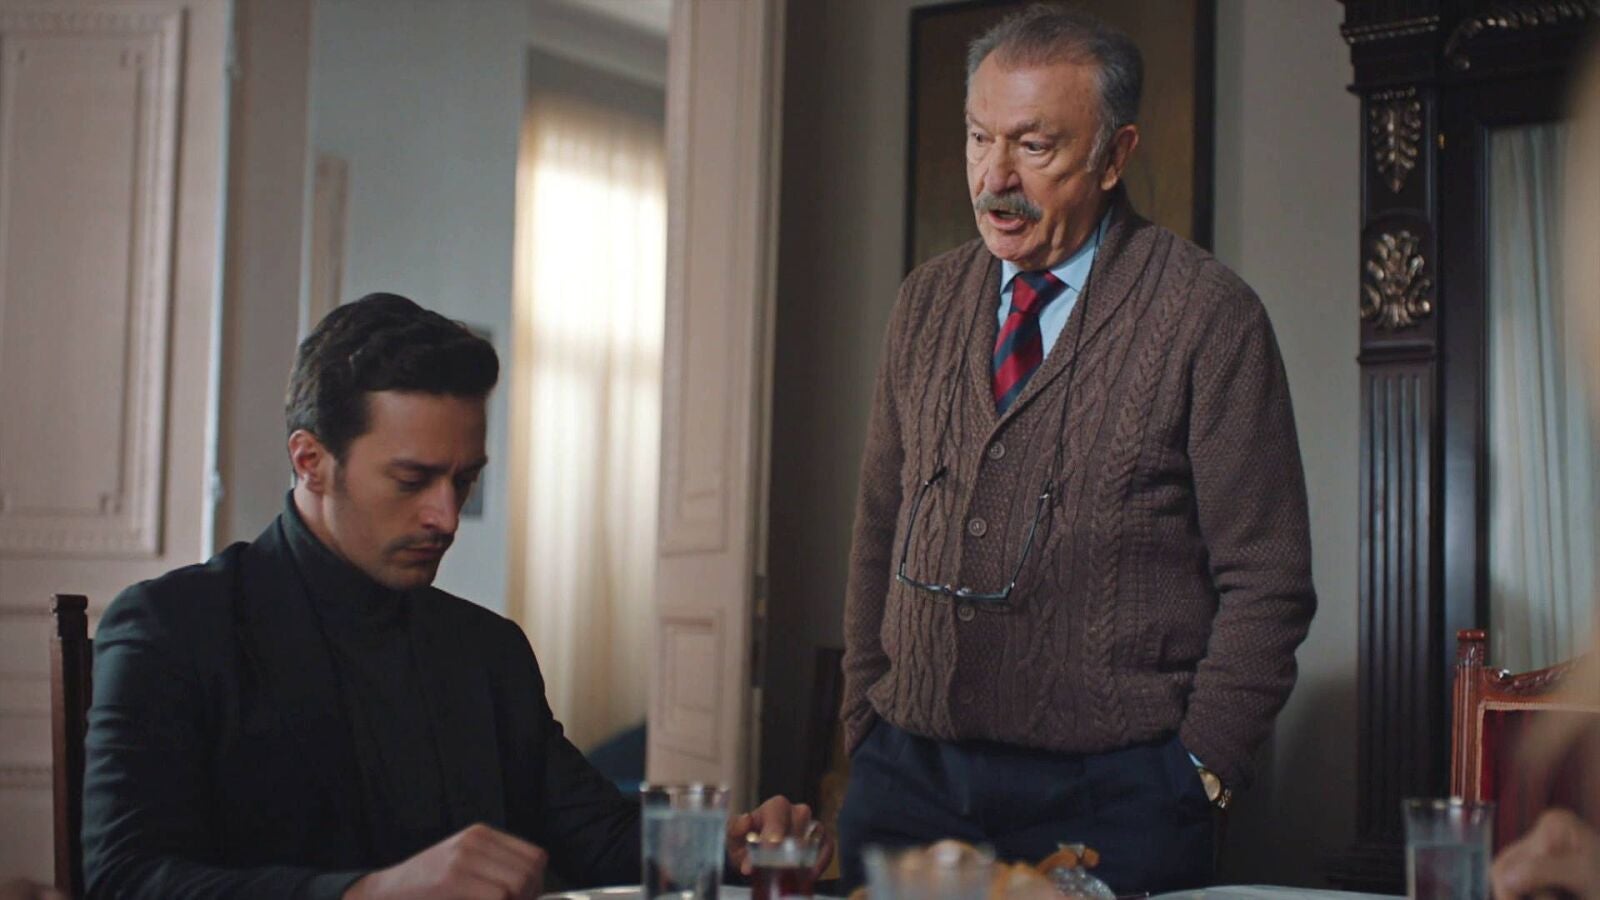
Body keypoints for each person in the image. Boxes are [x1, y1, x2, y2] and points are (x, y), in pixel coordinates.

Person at [82, 293, 827, 899]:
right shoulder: (172, 629)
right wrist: (368, 893)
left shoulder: (488, 650)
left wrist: (721, 849)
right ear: (310, 461)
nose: (446, 517)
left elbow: (595, 834)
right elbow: (125, 879)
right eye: (412, 481)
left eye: (464, 480)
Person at [837, 4, 1315, 894]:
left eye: (1034, 146)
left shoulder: (1210, 317)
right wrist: (865, 723)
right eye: (978, 138)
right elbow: (878, 524)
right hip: (906, 783)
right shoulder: (924, 302)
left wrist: (1200, 773)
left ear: (1115, 155)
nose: (994, 177)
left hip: (1115, 802)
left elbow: (1270, 581)